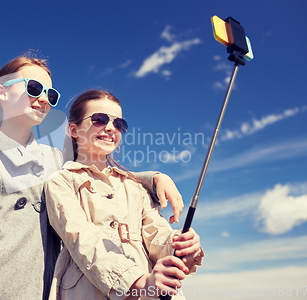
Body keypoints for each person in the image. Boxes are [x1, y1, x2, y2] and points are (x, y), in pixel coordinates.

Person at [0, 56, 184, 300]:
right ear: (2, 92)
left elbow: (100, 172)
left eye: (51, 95)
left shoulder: (55, 158)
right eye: (34, 88)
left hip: (36, 292)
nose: (43, 99)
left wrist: (153, 177)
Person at [45, 90, 204, 300]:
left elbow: (156, 233)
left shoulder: (135, 186)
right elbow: (81, 239)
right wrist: (138, 282)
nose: (110, 128)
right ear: (74, 129)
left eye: (118, 124)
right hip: (89, 291)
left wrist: (180, 244)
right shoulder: (60, 182)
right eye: (99, 120)